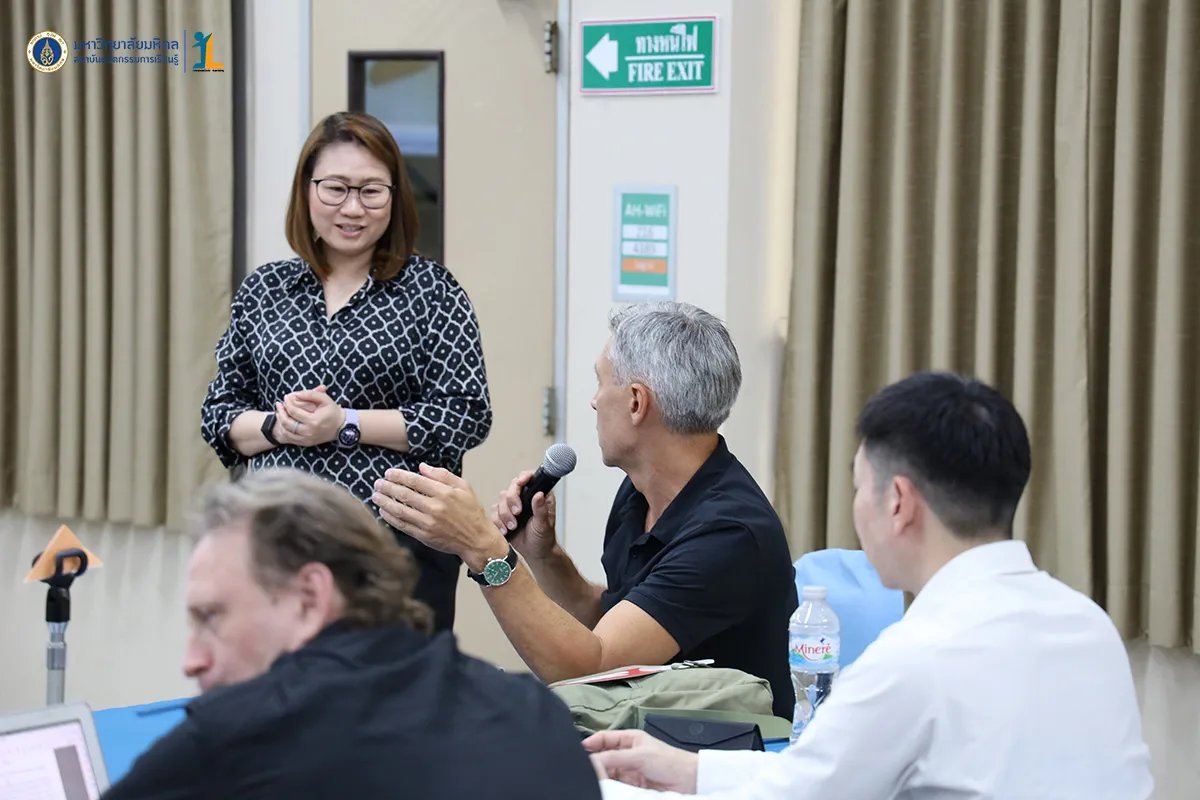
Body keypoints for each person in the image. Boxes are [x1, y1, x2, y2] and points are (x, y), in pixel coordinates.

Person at [584, 371, 1155, 799]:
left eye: (860, 487)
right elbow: (815, 776)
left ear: (898, 502)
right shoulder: (1088, 626)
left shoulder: (916, 658)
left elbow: (801, 792)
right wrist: (691, 768)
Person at [372, 302, 798, 718]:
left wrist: (482, 548)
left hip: (724, 748)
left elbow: (594, 668)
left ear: (636, 402)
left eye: (601, 382)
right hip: (649, 725)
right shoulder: (639, 494)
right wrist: (544, 556)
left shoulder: (728, 534)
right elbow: (613, 625)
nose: (594, 401)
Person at [101, 469, 602, 800]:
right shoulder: (533, 711)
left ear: (310, 597)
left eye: (212, 618)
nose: (191, 659)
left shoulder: (236, 738)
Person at [200, 111, 491, 632]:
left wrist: (344, 424)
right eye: (335, 188)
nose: (352, 208)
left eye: (371, 191)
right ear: (306, 190)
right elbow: (219, 414)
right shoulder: (265, 289)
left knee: (391, 680)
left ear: (395, 197)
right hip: (279, 542)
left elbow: (465, 415)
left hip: (394, 545)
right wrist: (278, 426)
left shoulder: (432, 292)